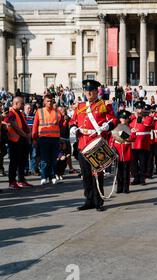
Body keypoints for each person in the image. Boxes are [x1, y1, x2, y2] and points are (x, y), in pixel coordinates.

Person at [69, 79, 117, 212]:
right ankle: (88, 200)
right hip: (82, 143)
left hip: (96, 144)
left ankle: (98, 200)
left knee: (97, 174)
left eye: (91, 91)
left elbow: (114, 119)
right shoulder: (80, 106)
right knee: (85, 174)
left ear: (97, 92)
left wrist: (107, 125)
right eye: (86, 91)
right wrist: (72, 127)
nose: (88, 93)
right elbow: (73, 120)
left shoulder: (103, 105)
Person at [32, 94, 64, 185]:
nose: (50, 102)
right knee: (44, 159)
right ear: (44, 102)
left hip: (54, 139)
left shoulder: (58, 112)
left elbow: (61, 126)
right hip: (43, 139)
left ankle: (52, 176)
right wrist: (34, 138)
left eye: (51, 101)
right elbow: (35, 126)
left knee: (53, 159)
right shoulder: (39, 111)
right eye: (48, 101)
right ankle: (43, 176)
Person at [5, 96, 33, 189]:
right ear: (16, 103)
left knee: (22, 161)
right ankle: (12, 182)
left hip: (22, 141)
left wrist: (28, 133)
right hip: (14, 141)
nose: (23, 105)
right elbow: (15, 127)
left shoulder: (19, 113)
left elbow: (24, 125)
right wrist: (25, 135)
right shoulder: (11, 113)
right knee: (14, 162)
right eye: (22, 103)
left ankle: (21, 180)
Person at [129, 100, 153, 185]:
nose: (139, 110)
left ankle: (143, 178)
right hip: (133, 143)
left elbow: (147, 123)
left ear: (144, 109)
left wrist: (139, 117)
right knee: (133, 163)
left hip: (143, 143)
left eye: (141, 108)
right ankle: (136, 178)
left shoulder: (148, 117)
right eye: (138, 108)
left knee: (143, 162)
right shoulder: (132, 118)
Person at [110, 110, 135, 193]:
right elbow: (111, 139)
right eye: (121, 118)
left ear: (128, 119)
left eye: (125, 118)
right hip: (117, 150)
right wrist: (111, 147)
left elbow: (132, 138)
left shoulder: (131, 128)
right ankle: (119, 187)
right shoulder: (116, 128)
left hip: (126, 150)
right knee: (118, 171)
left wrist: (122, 135)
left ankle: (126, 188)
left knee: (126, 171)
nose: (123, 119)